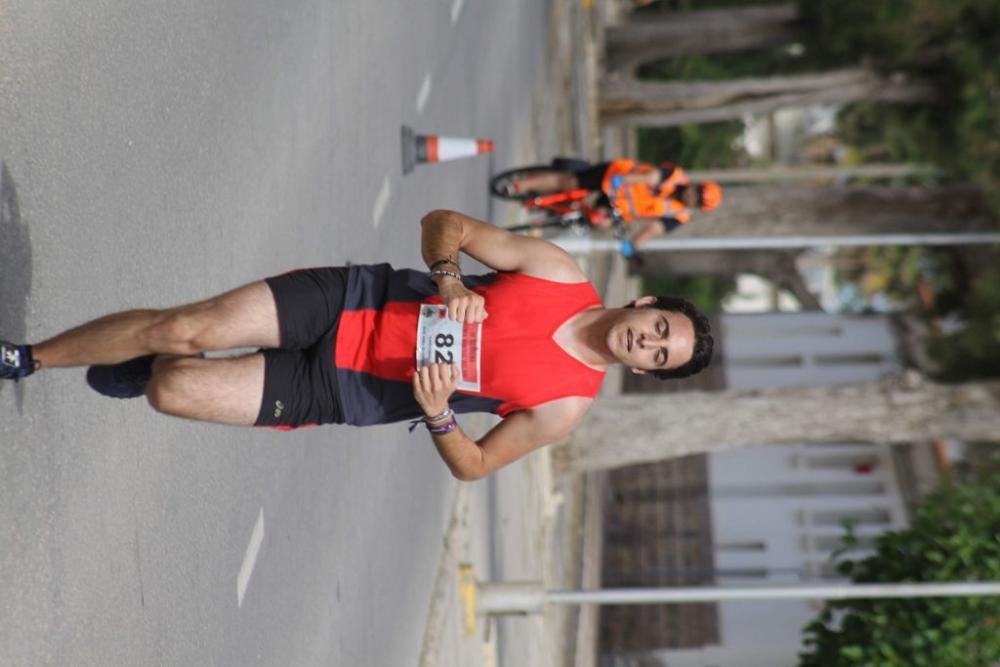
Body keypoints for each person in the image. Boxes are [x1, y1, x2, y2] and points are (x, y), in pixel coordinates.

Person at [1, 210, 713, 480]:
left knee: (171, 387)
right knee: (183, 327)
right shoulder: (558, 272)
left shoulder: (565, 407)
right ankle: (28, 357)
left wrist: (439, 414)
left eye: (659, 355)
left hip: (350, 390)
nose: (646, 342)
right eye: (658, 329)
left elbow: (475, 464)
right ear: (646, 304)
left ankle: (151, 368)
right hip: (350, 301)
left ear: (648, 371)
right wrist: (451, 280)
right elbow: (446, 223)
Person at [511, 158, 722, 253]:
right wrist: (623, 181)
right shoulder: (675, 176)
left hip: (617, 206)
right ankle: (520, 185)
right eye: (697, 190)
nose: (692, 194)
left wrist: (633, 245)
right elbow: (650, 177)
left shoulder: (679, 215)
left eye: (697, 199)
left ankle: (557, 212)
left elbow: (653, 230)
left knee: (599, 221)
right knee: (570, 182)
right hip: (615, 176)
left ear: (696, 207)